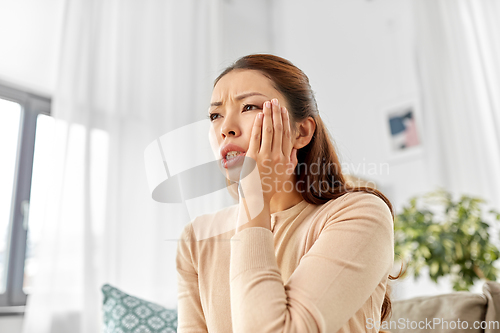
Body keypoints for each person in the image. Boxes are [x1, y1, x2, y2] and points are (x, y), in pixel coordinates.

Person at [176, 54, 403, 333]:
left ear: (301, 132)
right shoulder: (197, 237)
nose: (226, 128)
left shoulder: (361, 214)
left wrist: (255, 194)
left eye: (249, 107)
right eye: (215, 115)